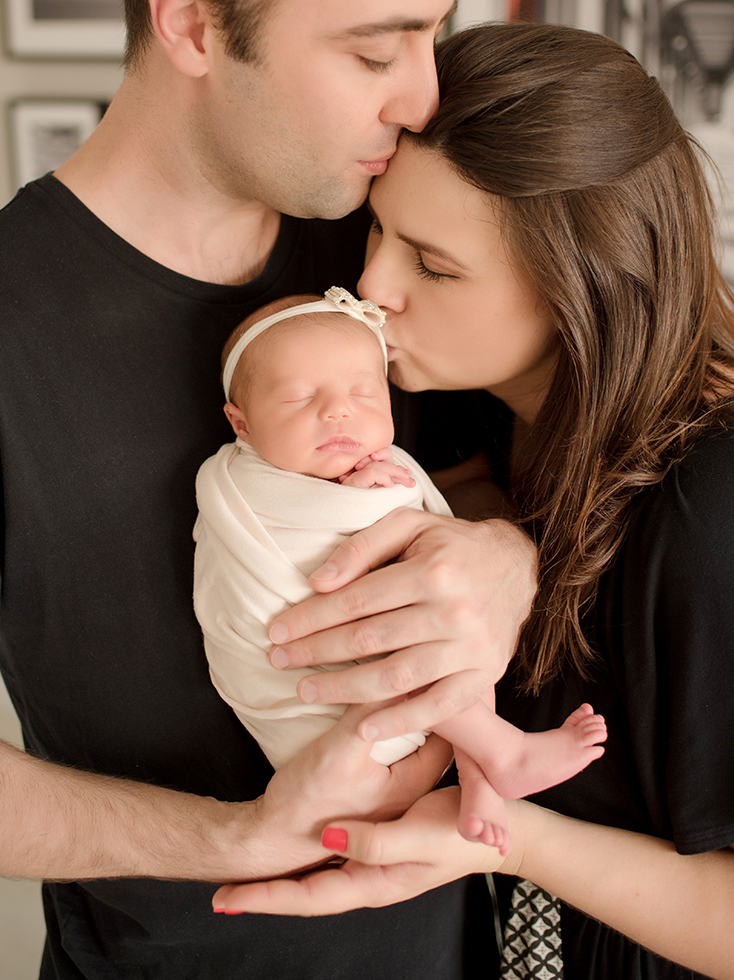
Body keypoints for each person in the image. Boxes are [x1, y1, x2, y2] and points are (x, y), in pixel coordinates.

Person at [0, 0, 539, 980]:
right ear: (191, 21)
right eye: (376, 53)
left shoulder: (385, 246)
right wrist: (239, 834)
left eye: (431, 36)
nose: (422, 100)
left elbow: (485, 477)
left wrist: (500, 555)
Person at [214, 23, 734, 980]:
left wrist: (500, 838)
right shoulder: (462, 406)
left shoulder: (720, 508)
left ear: (584, 288)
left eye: (434, 265)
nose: (370, 289)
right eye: (379, 230)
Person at [193, 286, 605, 852]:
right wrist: (357, 500)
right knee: (418, 647)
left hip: (385, 701)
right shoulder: (242, 484)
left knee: (456, 645)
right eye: (298, 397)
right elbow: (306, 551)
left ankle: (482, 784)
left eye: (364, 391)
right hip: (321, 713)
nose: (339, 410)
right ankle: (503, 752)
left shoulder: (384, 461)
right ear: (240, 425)